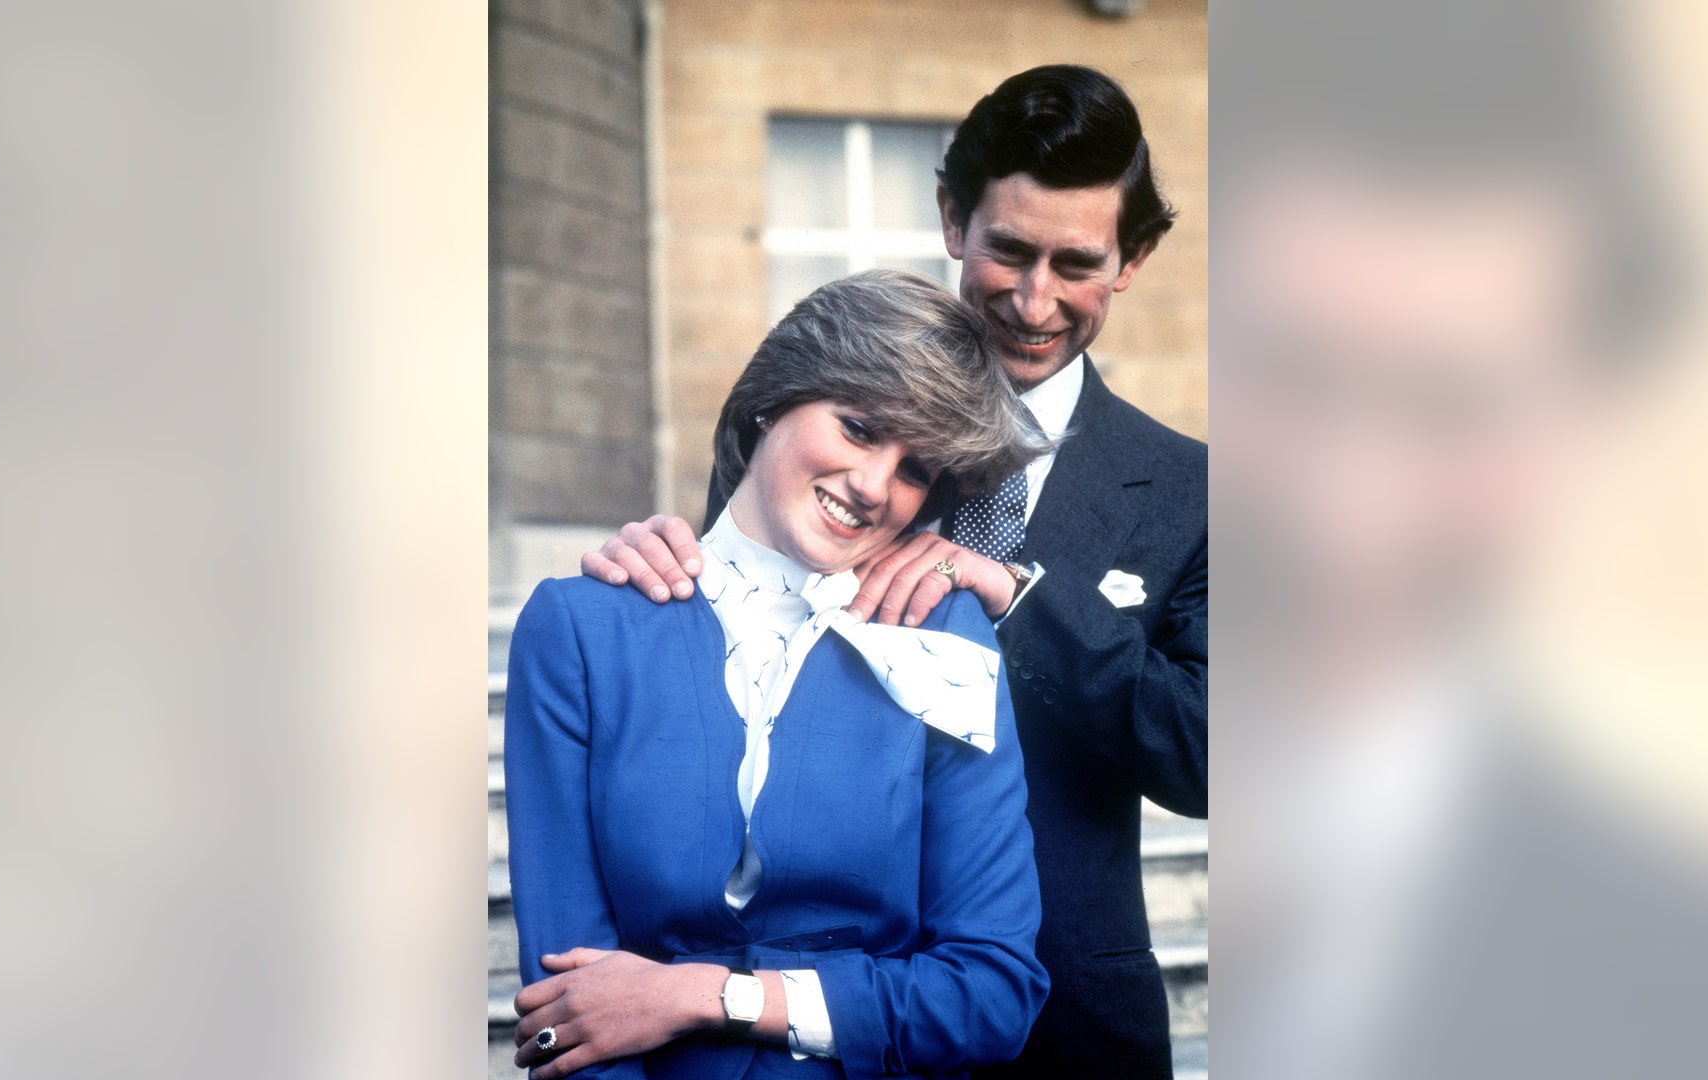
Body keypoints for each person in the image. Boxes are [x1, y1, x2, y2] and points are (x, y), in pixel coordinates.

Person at [583, 66, 1206, 1077]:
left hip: (1076, 1028)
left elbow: (1212, 754)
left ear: (1132, 260)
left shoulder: (1192, 491)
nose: (1034, 299)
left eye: (1075, 263)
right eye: (1007, 250)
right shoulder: (824, 430)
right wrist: (655, 573)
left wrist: (1018, 598)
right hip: (826, 1021)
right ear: (953, 219)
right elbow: (729, 663)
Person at [506, 270, 1051, 1080]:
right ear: (773, 399)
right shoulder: (581, 630)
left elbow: (990, 993)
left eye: (914, 470)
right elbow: (566, 1007)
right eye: (860, 428)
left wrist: (706, 995)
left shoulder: (944, 634)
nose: (874, 488)